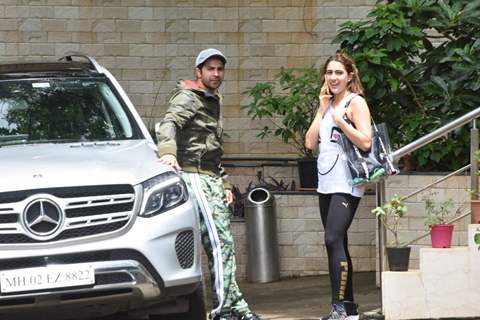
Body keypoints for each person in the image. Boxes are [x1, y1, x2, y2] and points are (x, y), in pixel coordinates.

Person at [156, 48, 261, 320]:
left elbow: (211, 148)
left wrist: (225, 182)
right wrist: (167, 152)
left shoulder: (211, 99)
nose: (216, 74)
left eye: (220, 69)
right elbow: (168, 124)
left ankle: (233, 305)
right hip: (195, 176)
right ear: (198, 72)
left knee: (223, 245)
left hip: (211, 177)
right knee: (218, 243)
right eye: (210, 69)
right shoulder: (188, 98)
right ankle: (223, 310)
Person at [305, 53, 372, 320]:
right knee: (338, 242)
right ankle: (350, 308)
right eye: (329, 73)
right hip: (326, 182)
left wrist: (342, 121)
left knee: (332, 238)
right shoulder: (326, 105)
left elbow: (366, 142)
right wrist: (323, 110)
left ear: (349, 76)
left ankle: (339, 308)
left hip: (347, 182)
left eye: (339, 73)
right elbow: (310, 144)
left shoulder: (356, 103)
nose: (333, 77)